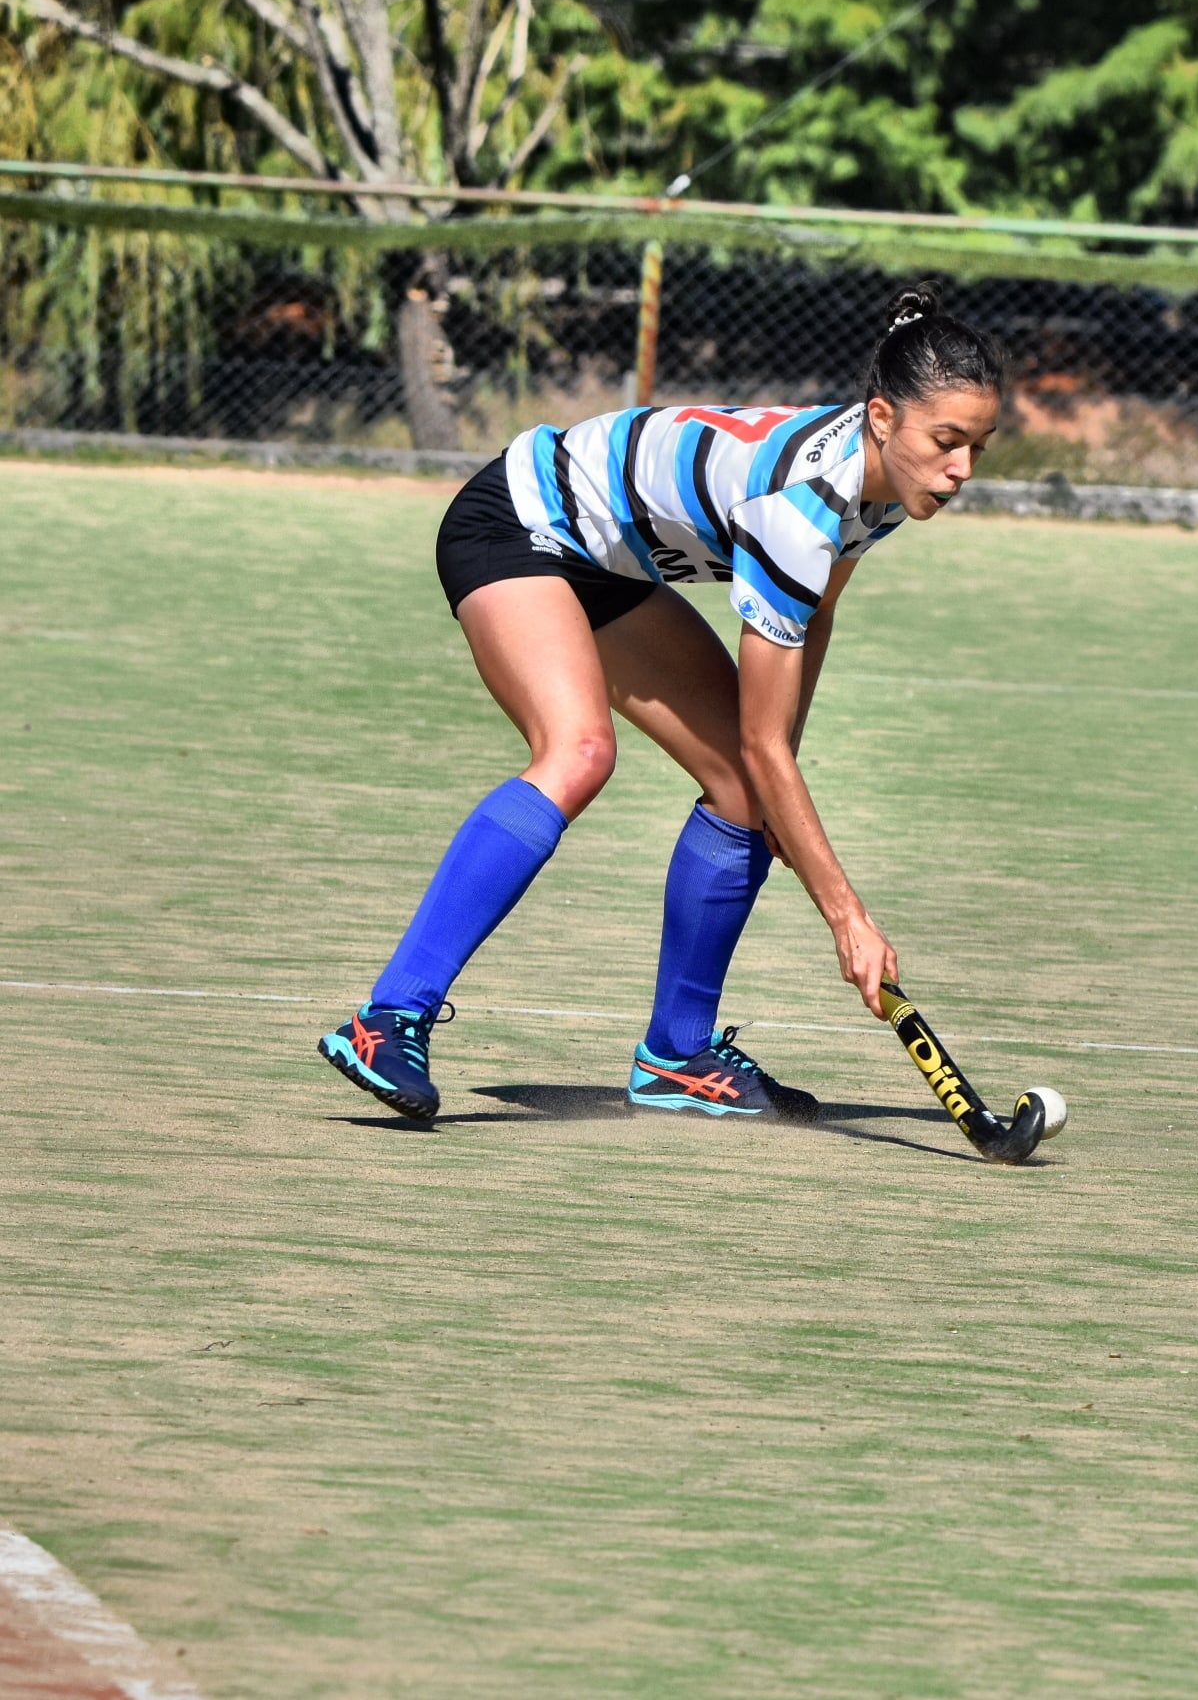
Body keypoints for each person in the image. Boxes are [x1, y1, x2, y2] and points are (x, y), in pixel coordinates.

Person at [318, 283, 1005, 1124]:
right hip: (517, 521)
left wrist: (779, 797)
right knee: (580, 751)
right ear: (881, 417)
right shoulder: (800, 507)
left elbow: (813, 618)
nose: (963, 469)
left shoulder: (886, 488)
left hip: (609, 563)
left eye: (977, 445)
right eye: (947, 441)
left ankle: (677, 1056)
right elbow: (764, 731)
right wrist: (847, 917)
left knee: (750, 794)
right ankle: (387, 1019)